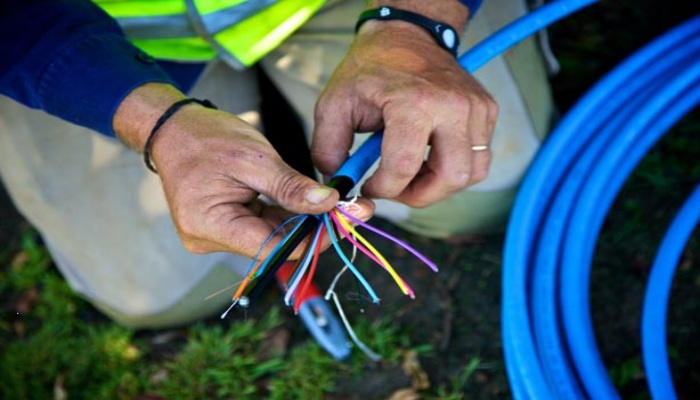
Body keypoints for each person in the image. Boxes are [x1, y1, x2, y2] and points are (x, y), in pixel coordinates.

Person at [0, 0, 553, 328]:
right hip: (81, 39)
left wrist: (418, 25)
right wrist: (149, 120)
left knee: (482, 194)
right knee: (158, 296)